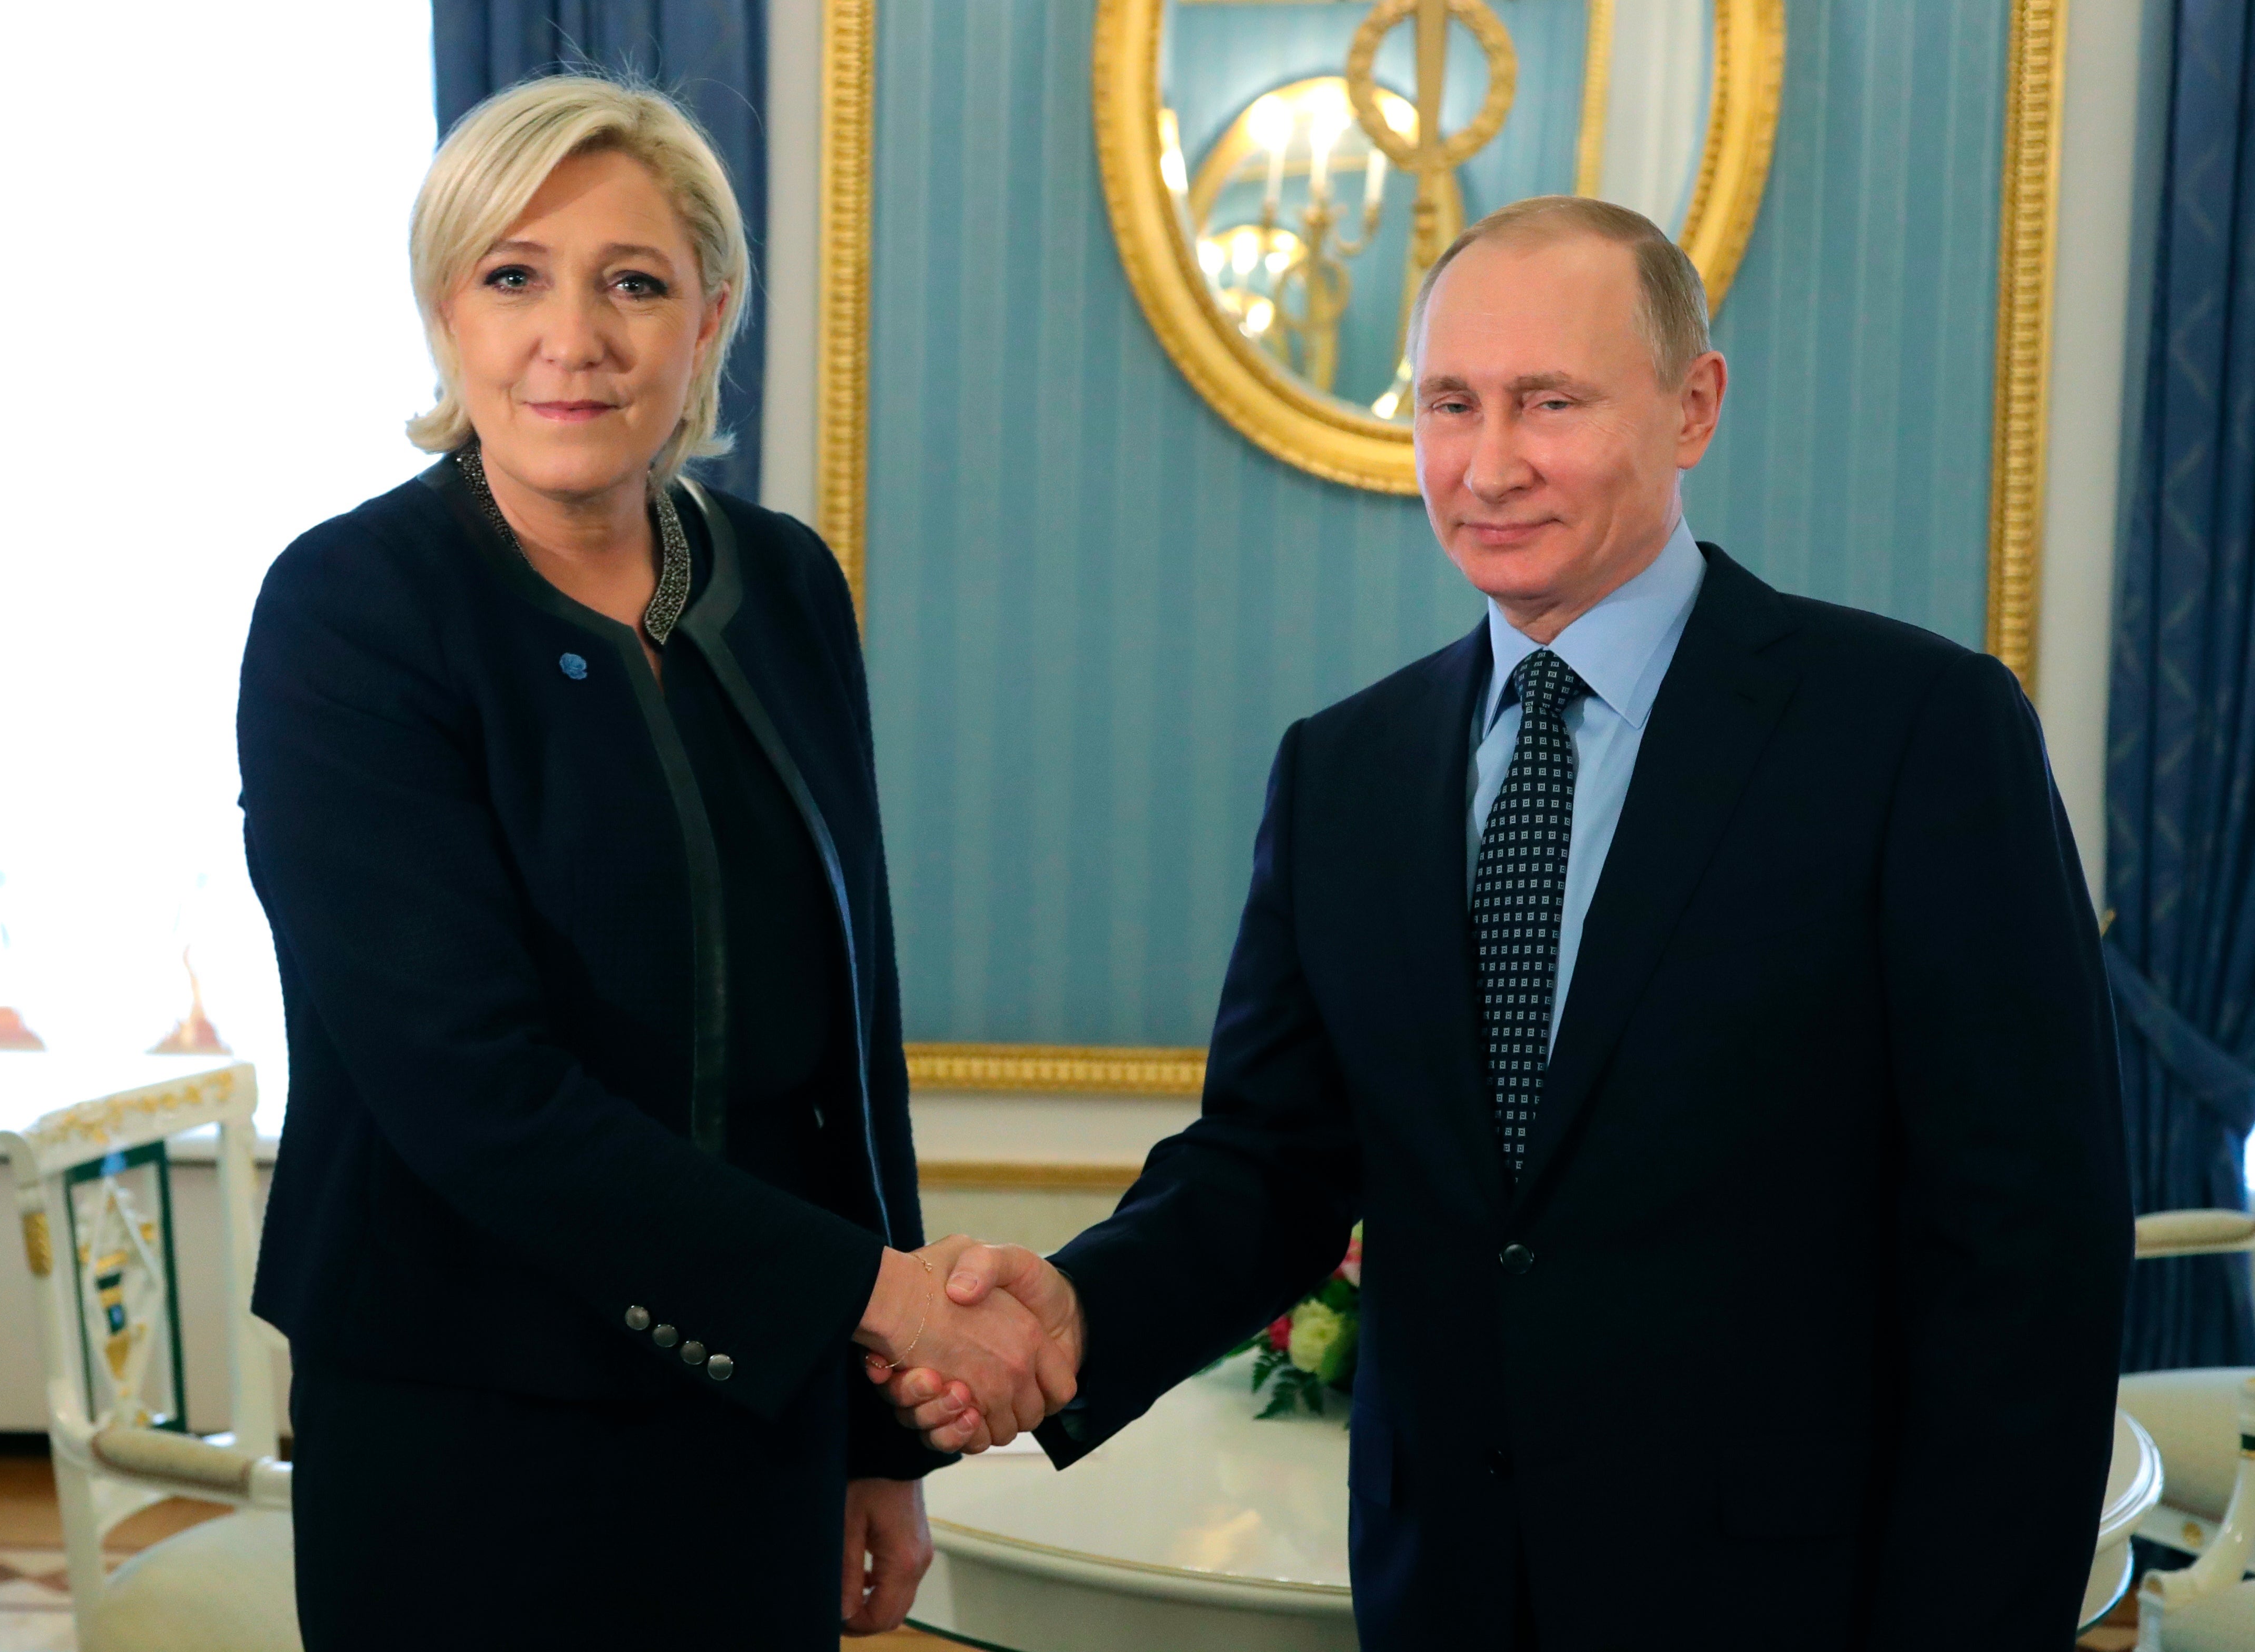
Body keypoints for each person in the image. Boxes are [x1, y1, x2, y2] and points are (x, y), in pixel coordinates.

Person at [878, 196, 2131, 1650]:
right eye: (1450, 405)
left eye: (1550, 402)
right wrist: (1073, 1315)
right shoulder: (1344, 770)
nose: (1488, 464)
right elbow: (1270, 1164)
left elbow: (2030, 1259)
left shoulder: (1913, 732)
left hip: (1798, 1608)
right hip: (1448, 1597)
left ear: (1693, 407)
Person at [237, 74, 1070, 1649]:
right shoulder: (348, 613)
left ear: (711, 317)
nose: (575, 336)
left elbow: (853, 1028)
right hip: (461, 1414)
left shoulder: (785, 584)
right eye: (513, 276)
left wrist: (878, 1433)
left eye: (633, 281)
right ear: (445, 313)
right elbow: (470, 1091)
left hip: (752, 1408)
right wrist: (866, 1294)